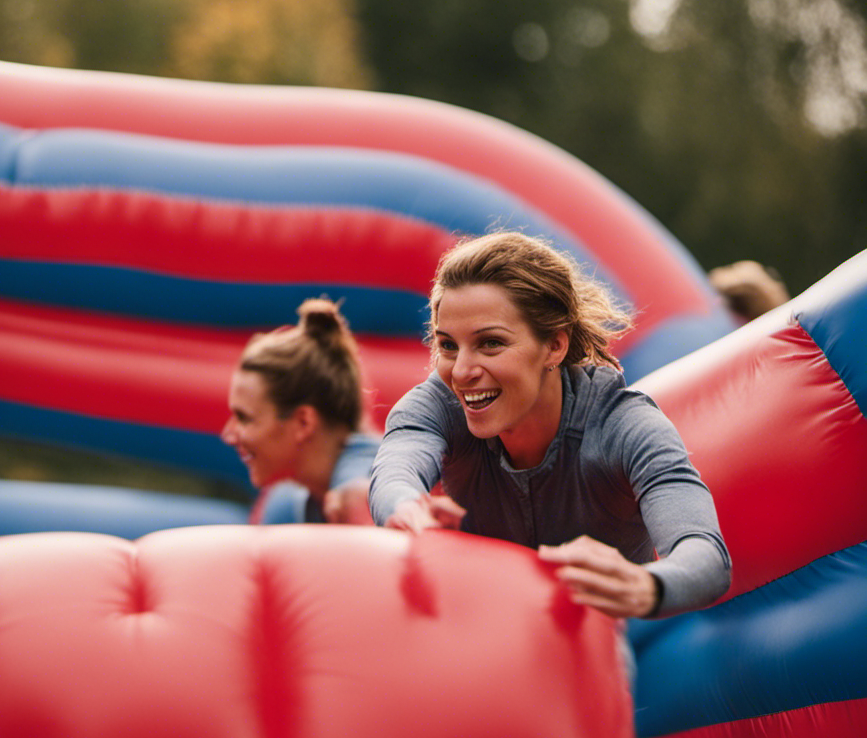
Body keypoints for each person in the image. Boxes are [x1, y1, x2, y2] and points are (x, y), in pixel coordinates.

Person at [368, 232, 731, 619]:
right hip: (491, 641)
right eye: (448, 345)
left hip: (611, 651)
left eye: (490, 343)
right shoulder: (437, 404)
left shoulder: (623, 424)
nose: (461, 372)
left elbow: (705, 553)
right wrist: (406, 509)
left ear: (555, 346)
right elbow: (396, 467)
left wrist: (647, 585)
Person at [222, 298, 380, 525]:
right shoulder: (291, 502)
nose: (228, 435)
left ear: (303, 423)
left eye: (244, 418)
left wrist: (362, 505)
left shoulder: (367, 488)